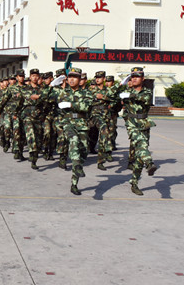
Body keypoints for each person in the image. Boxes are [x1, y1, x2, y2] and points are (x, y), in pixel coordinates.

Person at [49, 67, 91, 195]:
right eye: (70, 77)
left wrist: (72, 105)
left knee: (83, 152)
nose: (72, 79)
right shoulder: (62, 92)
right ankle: (76, 165)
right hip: (67, 123)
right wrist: (51, 86)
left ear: (80, 79)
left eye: (75, 77)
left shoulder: (87, 93)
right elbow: (45, 97)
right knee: (73, 140)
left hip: (82, 124)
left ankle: (74, 183)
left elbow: (86, 106)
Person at [119, 67, 158, 195]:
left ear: (143, 79)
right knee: (141, 145)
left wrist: (129, 95)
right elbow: (112, 96)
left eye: (137, 76)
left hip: (144, 123)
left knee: (140, 155)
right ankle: (150, 163)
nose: (134, 79)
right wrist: (120, 85)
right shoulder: (125, 91)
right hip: (131, 124)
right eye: (132, 77)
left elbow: (145, 99)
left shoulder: (147, 92)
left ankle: (134, 182)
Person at [88, 71, 118, 170]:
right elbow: (90, 100)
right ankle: (105, 151)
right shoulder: (92, 90)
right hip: (96, 115)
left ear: (104, 79)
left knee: (105, 137)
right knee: (102, 130)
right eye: (96, 77)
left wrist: (104, 98)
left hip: (107, 115)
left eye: (99, 78)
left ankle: (101, 160)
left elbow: (115, 99)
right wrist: (106, 99)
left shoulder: (107, 90)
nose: (97, 79)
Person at [21, 69, 45, 169]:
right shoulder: (24, 88)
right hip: (27, 115)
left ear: (38, 77)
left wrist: (40, 97)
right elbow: (23, 99)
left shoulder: (42, 89)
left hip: (38, 116)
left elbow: (46, 100)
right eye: (33, 76)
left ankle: (34, 157)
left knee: (38, 139)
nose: (35, 78)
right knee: (31, 135)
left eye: (36, 76)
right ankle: (32, 154)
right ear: (30, 77)